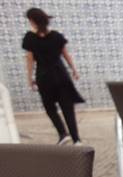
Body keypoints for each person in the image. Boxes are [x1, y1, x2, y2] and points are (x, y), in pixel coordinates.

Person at [22, 7, 84, 145]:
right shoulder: (56, 36)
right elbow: (65, 55)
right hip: (61, 74)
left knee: (50, 107)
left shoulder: (30, 38)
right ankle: (76, 139)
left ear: (32, 21)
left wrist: (30, 78)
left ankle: (62, 133)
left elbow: (30, 60)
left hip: (44, 76)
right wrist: (74, 69)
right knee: (67, 107)